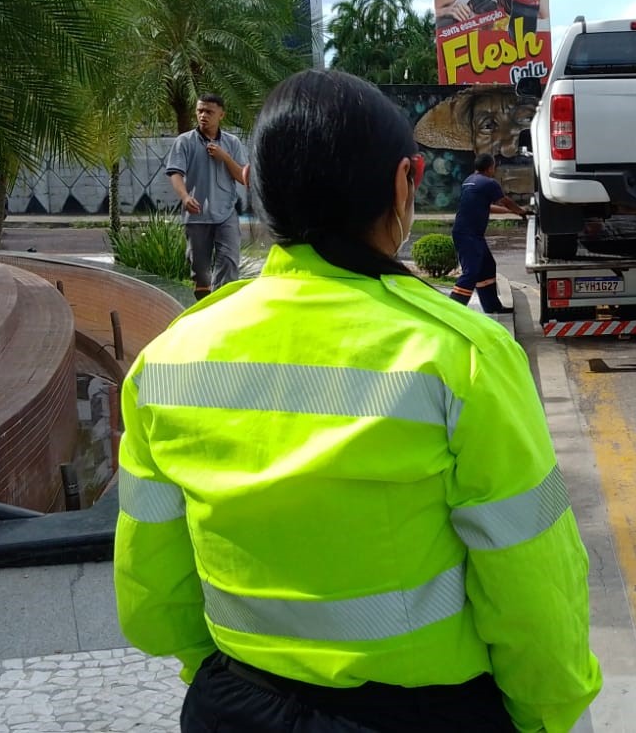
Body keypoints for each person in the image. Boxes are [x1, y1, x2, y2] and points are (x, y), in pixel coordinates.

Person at [114, 70, 600, 732]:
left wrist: (223, 677)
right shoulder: (460, 356)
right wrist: (546, 715)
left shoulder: (169, 359)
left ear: (261, 189)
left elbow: (152, 599)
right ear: (405, 181)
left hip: (235, 704)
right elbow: (530, 579)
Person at [165, 93, 249, 301]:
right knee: (201, 271)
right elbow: (175, 173)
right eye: (200, 111)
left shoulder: (232, 142)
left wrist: (224, 157)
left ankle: (222, 306)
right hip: (196, 216)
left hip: (226, 214)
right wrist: (185, 197)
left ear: (221, 115)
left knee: (229, 262)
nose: (203, 115)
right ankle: (203, 305)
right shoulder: (184, 142)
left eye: (209, 112)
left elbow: (242, 176)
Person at [451, 153, 528, 313]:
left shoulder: (469, 181)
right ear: (490, 167)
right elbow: (505, 201)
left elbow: (488, 207)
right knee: (471, 272)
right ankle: (453, 309)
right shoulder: (489, 183)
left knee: (487, 266)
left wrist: (512, 212)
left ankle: (492, 306)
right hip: (468, 235)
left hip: (468, 233)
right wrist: (521, 211)